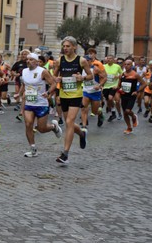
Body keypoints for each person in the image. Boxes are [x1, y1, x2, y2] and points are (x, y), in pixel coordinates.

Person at [53, 36, 92, 165]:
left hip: (76, 95)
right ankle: (81, 134)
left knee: (70, 121)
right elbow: (54, 76)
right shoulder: (59, 61)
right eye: (64, 46)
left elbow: (90, 76)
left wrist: (82, 77)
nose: (65, 48)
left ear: (74, 47)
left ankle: (65, 154)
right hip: (64, 95)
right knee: (68, 123)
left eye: (68, 46)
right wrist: (56, 80)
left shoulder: (81, 61)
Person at [17, 53, 62, 157]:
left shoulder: (43, 71)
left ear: (37, 62)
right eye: (27, 59)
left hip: (41, 103)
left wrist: (48, 93)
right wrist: (18, 94)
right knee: (28, 125)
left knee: (41, 129)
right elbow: (24, 85)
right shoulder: (24, 71)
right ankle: (33, 149)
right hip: (29, 103)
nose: (28, 61)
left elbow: (53, 84)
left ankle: (53, 127)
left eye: (31, 59)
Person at [117, 59, 146, 134]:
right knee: (125, 113)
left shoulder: (135, 74)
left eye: (128, 64)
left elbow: (144, 84)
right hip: (123, 95)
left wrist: (137, 91)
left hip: (131, 95)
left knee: (128, 111)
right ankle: (129, 127)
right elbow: (119, 85)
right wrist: (117, 88)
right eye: (125, 64)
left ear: (132, 65)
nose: (126, 66)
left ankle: (133, 116)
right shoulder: (122, 75)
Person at [80, 55, 107, 128]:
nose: (85, 62)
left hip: (95, 92)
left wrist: (99, 85)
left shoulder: (95, 69)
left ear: (91, 61)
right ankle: (84, 126)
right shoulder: (81, 69)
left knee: (94, 112)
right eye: (84, 61)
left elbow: (104, 78)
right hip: (85, 91)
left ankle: (100, 114)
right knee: (83, 109)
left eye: (87, 61)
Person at [103, 55, 123, 122]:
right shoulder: (104, 66)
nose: (109, 60)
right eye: (108, 59)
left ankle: (119, 113)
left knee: (114, 99)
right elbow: (100, 75)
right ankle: (113, 112)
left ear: (113, 59)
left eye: (110, 58)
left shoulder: (117, 66)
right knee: (108, 100)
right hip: (106, 86)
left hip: (114, 86)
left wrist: (117, 76)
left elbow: (122, 74)